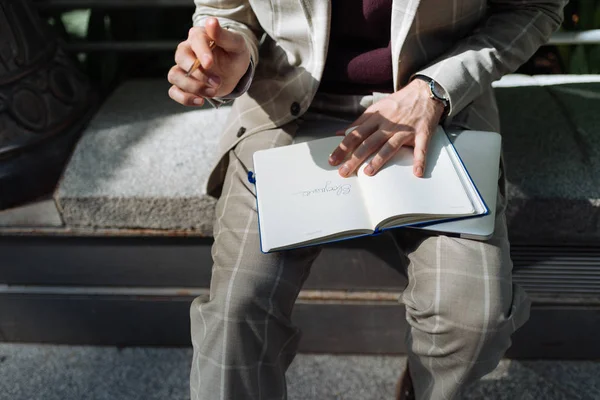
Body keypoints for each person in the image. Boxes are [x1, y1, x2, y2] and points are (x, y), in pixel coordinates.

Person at [168, 1, 566, 399]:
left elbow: (535, 7)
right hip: (288, 107)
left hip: (436, 106)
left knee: (471, 320)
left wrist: (434, 89)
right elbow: (227, 13)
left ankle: (422, 387)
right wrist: (225, 56)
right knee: (235, 312)